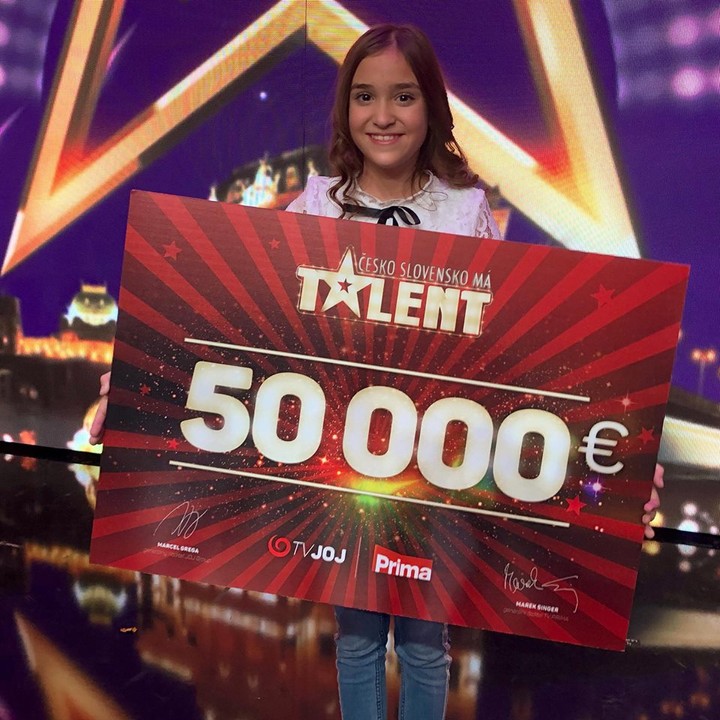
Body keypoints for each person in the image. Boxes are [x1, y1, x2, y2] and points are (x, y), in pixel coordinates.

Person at [89, 22, 664, 720]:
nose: (383, 115)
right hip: (340, 468)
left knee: (425, 645)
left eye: (404, 96)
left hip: (435, 466)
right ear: (345, 108)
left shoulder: (466, 212)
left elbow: (514, 357)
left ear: (431, 108)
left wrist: (618, 460)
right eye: (365, 96)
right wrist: (133, 390)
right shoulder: (314, 204)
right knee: (357, 639)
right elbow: (244, 331)